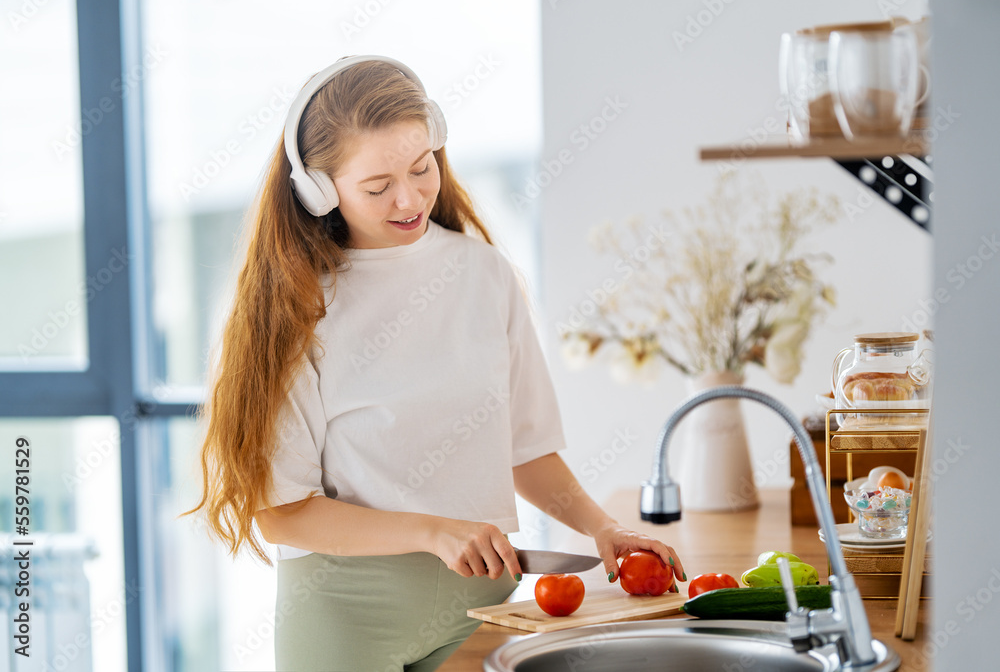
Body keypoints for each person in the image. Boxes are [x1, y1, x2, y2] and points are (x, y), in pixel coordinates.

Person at [186, 55, 685, 672]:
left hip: (489, 607)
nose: (410, 197)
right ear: (319, 189)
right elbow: (282, 512)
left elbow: (526, 450)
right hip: (345, 623)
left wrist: (601, 529)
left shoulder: (485, 274)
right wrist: (434, 532)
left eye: (423, 168)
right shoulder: (298, 307)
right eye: (377, 187)